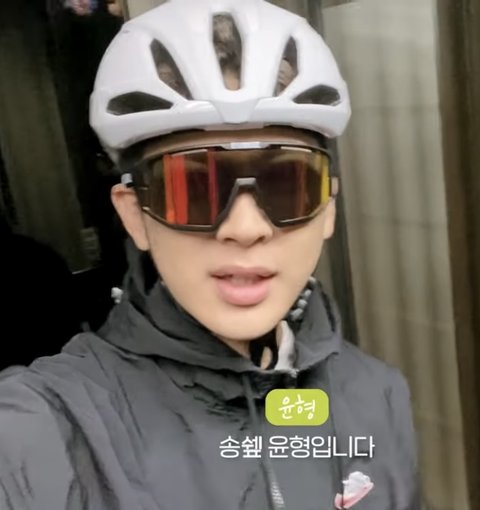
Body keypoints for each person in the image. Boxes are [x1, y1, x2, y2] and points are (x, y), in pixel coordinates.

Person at [0, 1, 419, 509]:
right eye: (192, 188)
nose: (245, 229)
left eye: (286, 184)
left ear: (327, 209)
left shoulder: (378, 395)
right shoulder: (46, 428)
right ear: (135, 215)